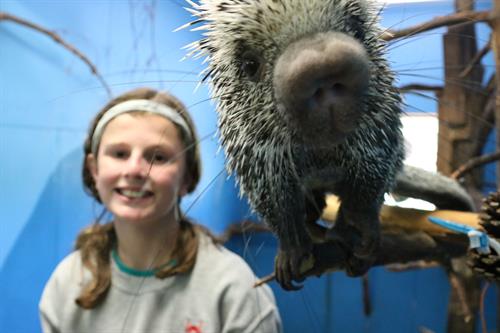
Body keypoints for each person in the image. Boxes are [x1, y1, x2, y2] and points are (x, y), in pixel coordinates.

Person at [39, 87, 282, 333]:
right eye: (120, 153)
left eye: (158, 157)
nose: (135, 170)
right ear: (94, 170)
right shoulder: (68, 283)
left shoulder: (233, 289)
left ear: (187, 177)